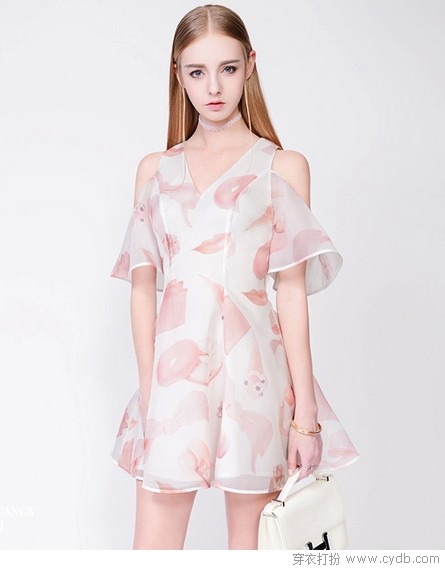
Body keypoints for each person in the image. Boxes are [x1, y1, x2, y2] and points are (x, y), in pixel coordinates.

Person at [109, 3, 359, 550]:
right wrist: (151, 394)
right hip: (174, 385)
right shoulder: (155, 171)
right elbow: (143, 290)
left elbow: (291, 293)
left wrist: (306, 418)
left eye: (227, 68)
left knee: (252, 553)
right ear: (178, 75)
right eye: (197, 71)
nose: (213, 86)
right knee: (151, 554)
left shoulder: (281, 167)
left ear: (249, 64)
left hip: (256, 379)